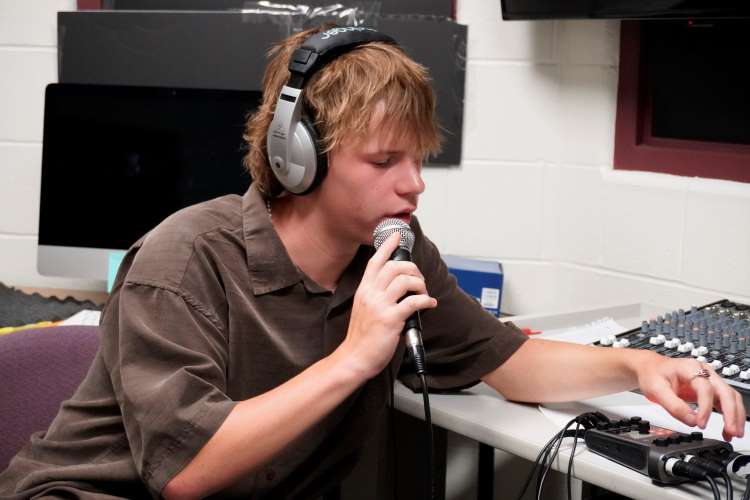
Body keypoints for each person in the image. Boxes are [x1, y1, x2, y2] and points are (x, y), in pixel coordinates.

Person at [0, 24, 745, 500]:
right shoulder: (184, 258)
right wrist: (356, 356)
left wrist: (636, 368)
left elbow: (508, 362)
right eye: (385, 160)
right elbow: (189, 472)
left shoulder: (394, 249)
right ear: (298, 160)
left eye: (418, 159)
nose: (414, 183)